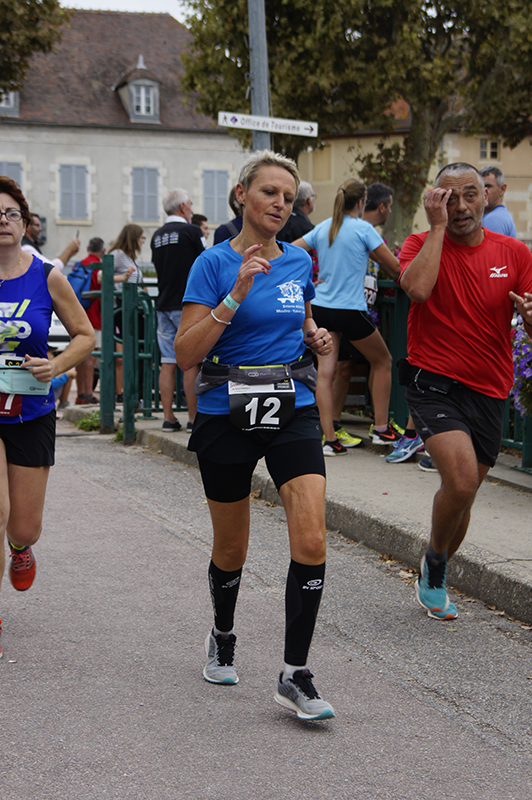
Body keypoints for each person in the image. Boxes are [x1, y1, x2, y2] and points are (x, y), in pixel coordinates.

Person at [175, 150, 335, 721]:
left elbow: (302, 318)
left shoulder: (299, 261)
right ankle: (223, 633)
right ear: (242, 195)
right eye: (270, 192)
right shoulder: (212, 262)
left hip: (291, 406)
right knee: (231, 547)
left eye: (288, 197)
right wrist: (236, 293)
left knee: (312, 539)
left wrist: (315, 336)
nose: (280, 204)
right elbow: (185, 353)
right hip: (225, 408)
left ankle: (295, 673)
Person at [399, 162, 532, 621]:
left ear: (487, 197)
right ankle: (436, 566)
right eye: (449, 197)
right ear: (435, 201)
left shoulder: (515, 253)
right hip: (434, 383)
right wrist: (436, 228)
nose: (461, 206)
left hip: (489, 389)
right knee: (460, 481)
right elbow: (418, 290)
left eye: (470, 194)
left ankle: (435, 561)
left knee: (465, 494)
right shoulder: (419, 243)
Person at [0, 176, 95, 658]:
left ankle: (20, 550)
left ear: (25, 223)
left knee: (22, 526)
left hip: (31, 411)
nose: (2, 221)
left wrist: (56, 366)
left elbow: (85, 335)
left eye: (10, 213)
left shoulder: (46, 275)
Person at [293, 179, 401, 455]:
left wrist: (309, 282)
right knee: (383, 361)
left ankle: (330, 440)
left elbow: (290, 251)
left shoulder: (324, 227)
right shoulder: (363, 229)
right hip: (350, 309)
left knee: (325, 374)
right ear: (362, 202)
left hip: (321, 307)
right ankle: (381, 428)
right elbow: (394, 267)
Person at [151, 190, 205, 431]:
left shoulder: (157, 236)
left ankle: (168, 417)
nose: (192, 209)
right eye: (190, 204)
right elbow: (206, 262)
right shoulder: (192, 231)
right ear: (183, 207)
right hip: (187, 304)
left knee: (168, 361)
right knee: (191, 361)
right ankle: (193, 418)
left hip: (163, 303)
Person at [109, 224, 145, 402]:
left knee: (140, 349)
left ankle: (136, 392)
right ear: (133, 238)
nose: (143, 241)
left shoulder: (131, 258)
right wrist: (123, 278)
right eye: (141, 237)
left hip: (135, 308)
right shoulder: (117, 254)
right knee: (130, 350)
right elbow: (101, 276)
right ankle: (126, 392)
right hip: (123, 308)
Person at [74, 237, 106, 405]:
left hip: (76, 315)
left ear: (87, 248)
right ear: (103, 251)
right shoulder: (98, 267)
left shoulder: (79, 264)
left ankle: (80, 394)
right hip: (93, 316)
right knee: (91, 356)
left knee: (78, 356)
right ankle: (88, 394)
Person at [479, 166, 517, 237]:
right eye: (480, 187)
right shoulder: (499, 215)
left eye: (488, 186)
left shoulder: (494, 219)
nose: (483, 191)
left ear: (502, 189)